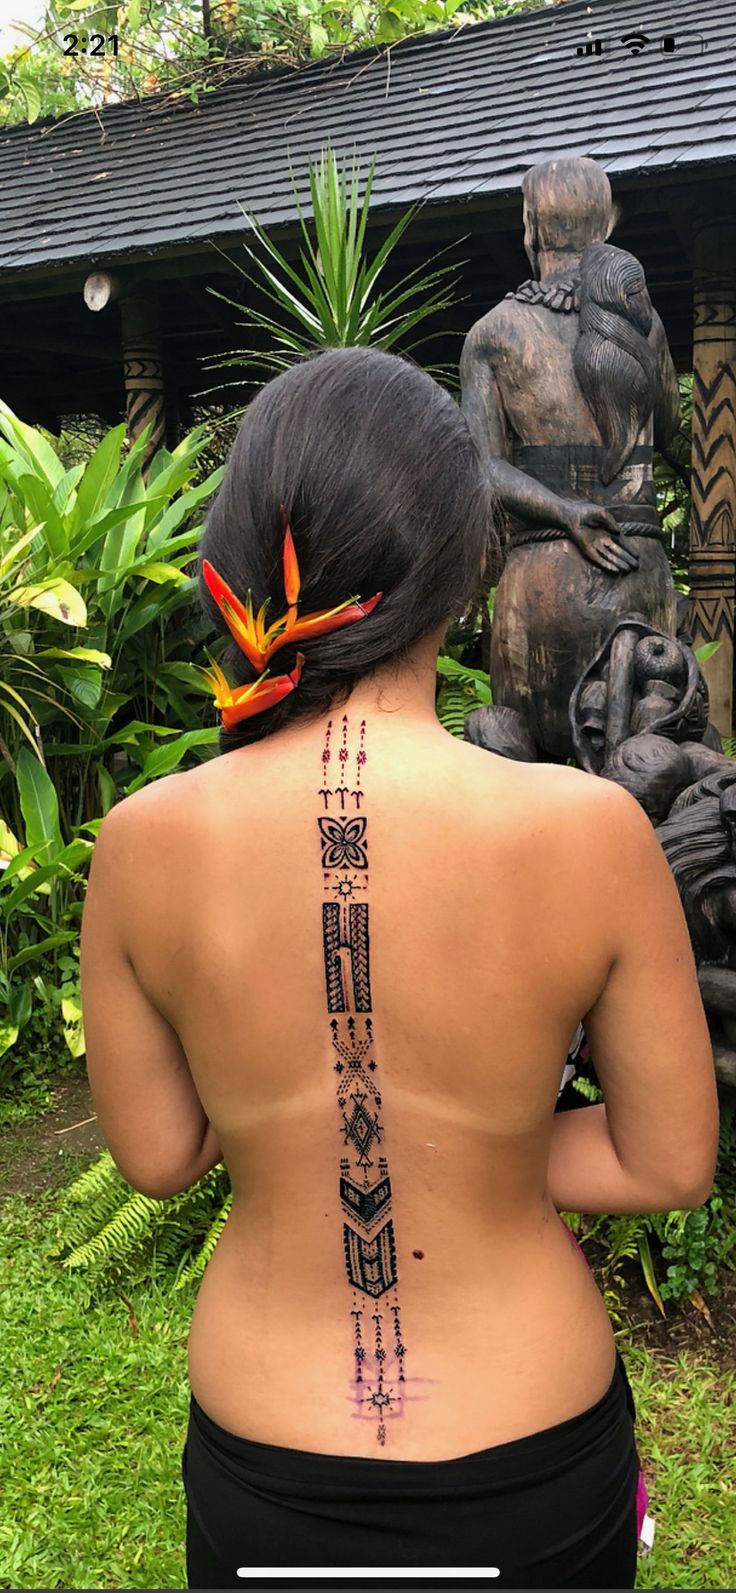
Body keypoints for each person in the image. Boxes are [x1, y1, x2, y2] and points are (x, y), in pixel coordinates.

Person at [79, 345, 720, 1589]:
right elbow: (668, 1159)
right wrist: (467, 1151)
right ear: (468, 563)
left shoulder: (142, 848)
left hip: (269, 1457)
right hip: (528, 1447)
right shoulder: (587, 834)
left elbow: (157, 1158)